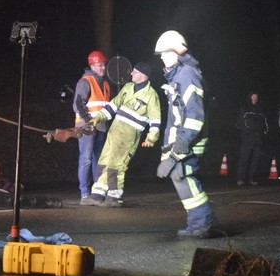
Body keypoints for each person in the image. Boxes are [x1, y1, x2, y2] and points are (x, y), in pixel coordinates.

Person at [154, 30, 217, 238]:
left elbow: (194, 116)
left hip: (190, 139)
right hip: (184, 139)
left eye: (165, 52)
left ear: (176, 52)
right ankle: (198, 222)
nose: (161, 57)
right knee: (181, 177)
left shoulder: (186, 75)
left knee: (183, 175)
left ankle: (202, 221)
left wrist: (177, 150)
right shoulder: (178, 75)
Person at [86, 62, 162, 207]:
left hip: (128, 137)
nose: (131, 73)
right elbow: (113, 105)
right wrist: (97, 118)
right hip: (114, 132)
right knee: (104, 162)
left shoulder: (151, 95)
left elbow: (155, 118)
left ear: (143, 75)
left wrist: (151, 137)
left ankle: (114, 197)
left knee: (117, 166)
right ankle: (98, 194)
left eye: (135, 71)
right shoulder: (127, 87)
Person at [74, 50, 112, 205]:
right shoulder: (85, 81)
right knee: (86, 159)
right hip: (87, 126)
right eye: (99, 65)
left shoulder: (105, 84)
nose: (102, 67)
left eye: (103, 64)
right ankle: (84, 193)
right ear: (92, 65)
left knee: (98, 160)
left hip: (100, 126)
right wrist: (89, 120)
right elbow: (77, 104)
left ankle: (97, 193)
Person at [235, 91, 268, 186]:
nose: (254, 99)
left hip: (258, 140)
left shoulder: (261, 110)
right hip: (247, 140)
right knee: (244, 160)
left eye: (256, 97)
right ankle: (240, 179)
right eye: (253, 97)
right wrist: (247, 133)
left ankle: (251, 179)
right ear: (250, 98)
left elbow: (265, 124)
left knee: (255, 161)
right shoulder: (244, 109)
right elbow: (239, 124)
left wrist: (264, 133)